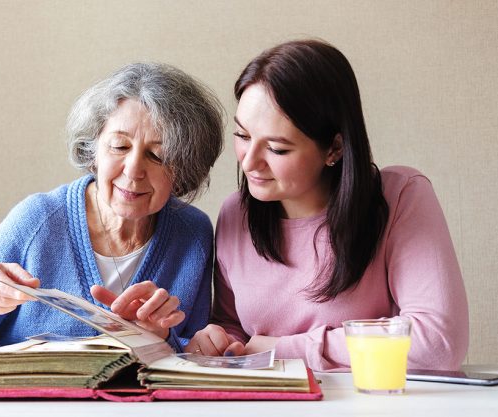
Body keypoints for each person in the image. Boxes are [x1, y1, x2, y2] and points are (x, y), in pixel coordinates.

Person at [0, 63, 224, 374]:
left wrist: (158, 341)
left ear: (184, 168)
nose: (134, 170)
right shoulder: (38, 221)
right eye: (119, 147)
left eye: (157, 155)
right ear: (93, 150)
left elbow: (189, 362)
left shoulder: (192, 233)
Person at [185, 39, 469, 372]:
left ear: (334, 148)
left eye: (277, 149)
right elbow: (238, 331)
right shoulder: (236, 213)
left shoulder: (400, 196)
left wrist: (286, 349)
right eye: (243, 136)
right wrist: (217, 339)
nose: (250, 163)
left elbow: (439, 343)